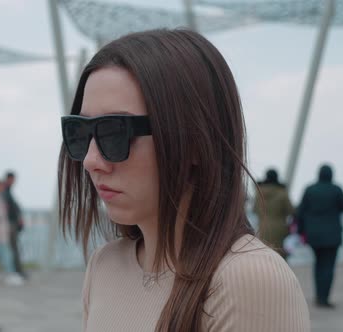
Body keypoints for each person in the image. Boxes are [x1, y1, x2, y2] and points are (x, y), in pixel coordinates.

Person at [58, 29, 309, 332]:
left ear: (194, 142)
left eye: (114, 132)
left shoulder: (248, 279)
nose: (90, 161)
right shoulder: (105, 265)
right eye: (81, 133)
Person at [296, 164, 343, 309]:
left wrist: (300, 231)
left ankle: (318, 296)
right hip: (332, 235)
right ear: (331, 174)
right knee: (328, 266)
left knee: (318, 264)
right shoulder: (336, 189)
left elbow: (300, 211)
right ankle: (324, 298)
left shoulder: (310, 189)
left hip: (313, 235)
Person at [253, 169, 295, 259]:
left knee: (264, 255)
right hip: (280, 229)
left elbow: (254, 210)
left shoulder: (259, 193)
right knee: (279, 257)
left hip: (263, 228)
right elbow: (291, 211)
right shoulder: (282, 193)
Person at [2, 171, 26, 278]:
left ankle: (16, 270)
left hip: (9, 223)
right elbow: (8, 208)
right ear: (8, 179)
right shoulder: (5, 192)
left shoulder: (7, 191)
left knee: (9, 248)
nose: (13, 182)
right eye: (12, 180)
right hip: (9, 224)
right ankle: (17, 271)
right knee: (13, 248)